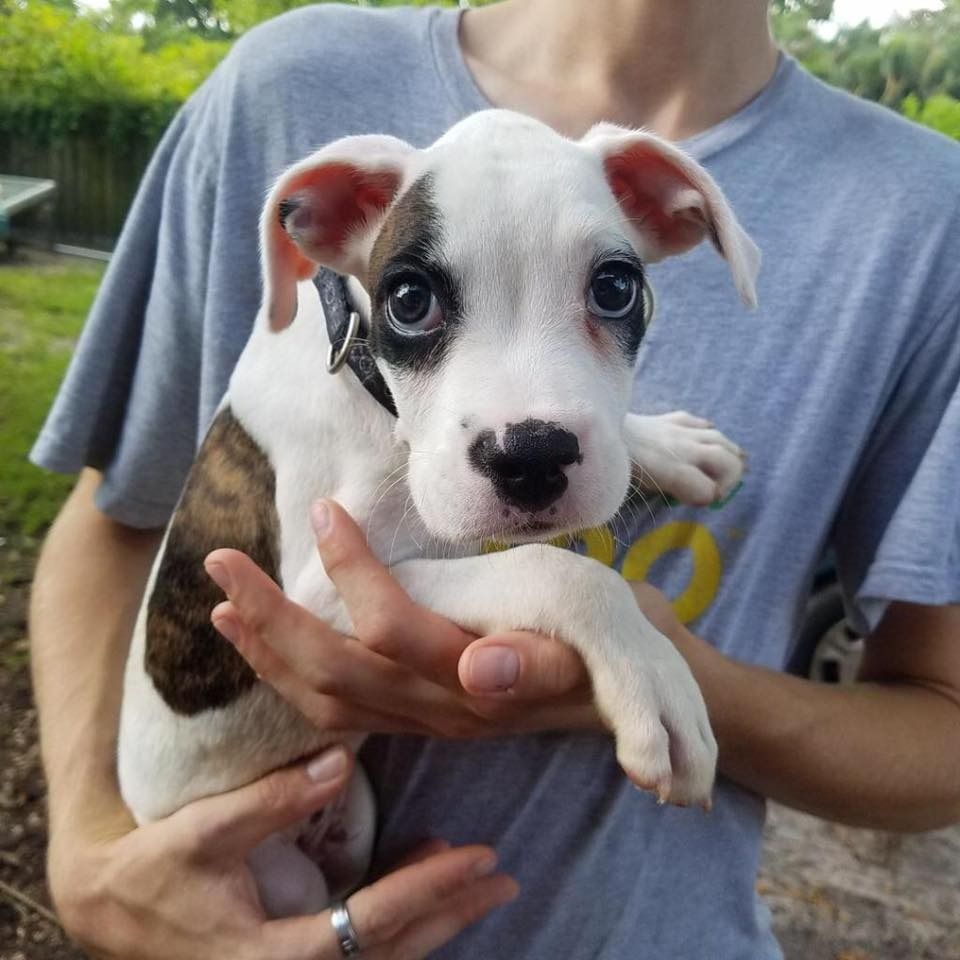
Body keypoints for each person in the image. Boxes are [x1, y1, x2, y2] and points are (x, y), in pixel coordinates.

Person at [28, 0, 960, 957]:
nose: (526, 427)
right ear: (330, 232)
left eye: (607, 291)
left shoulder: (927, 223)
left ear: (680, 219)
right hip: (243, 834)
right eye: (417, 297)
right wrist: (91, 860)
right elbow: (281, 583)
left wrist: (694, 667)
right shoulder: (283, 92)